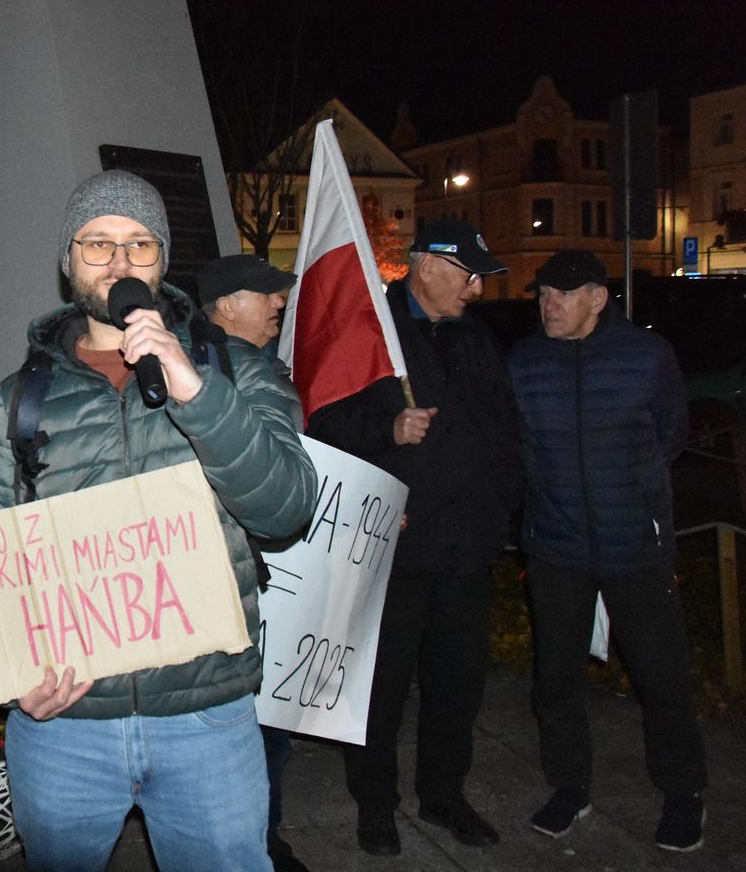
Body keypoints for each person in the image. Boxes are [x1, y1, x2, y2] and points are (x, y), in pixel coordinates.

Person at [0, 170, 318, 872]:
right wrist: (12, 677)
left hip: (207, 714)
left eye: (139, 243)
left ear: (162, 261)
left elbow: (285, 509)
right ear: (68, 261)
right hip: (65, 723)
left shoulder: (235, 370)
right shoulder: (21, 400)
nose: (120, 261)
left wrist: (195, 390)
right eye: (97, 243)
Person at [305, 217, 521, 856]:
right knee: (381, 688)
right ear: (428, 266)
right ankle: (376, 806)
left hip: (466, 548)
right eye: (469, 275)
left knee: (458, 686)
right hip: (391, 551)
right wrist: (388, 431)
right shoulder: (371, 334)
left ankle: (444, 795)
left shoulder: (476, 339)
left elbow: (505, 432)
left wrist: (499, 515)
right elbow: (322, 425)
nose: (478, 289)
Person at [509, 250, 707, 852]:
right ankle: (569, 788)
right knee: (555, 681)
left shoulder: (647, 356)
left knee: (661, 677)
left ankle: (684, 792)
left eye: (562, 295)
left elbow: (672, 434)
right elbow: (520, 446)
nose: (549, 305)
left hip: (635, 546)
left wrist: (635, 495)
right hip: (556, 547)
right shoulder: (525, 361)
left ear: (598, 298)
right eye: (544, 294)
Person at [196, 252, 309, 872]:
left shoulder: (262, 367)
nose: (279, 302)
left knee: (268, 722)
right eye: (265, 293)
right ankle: (251, 840)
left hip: (268, 577)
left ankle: (262, 834)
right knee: (247, 726)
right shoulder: (210, 374)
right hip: (231, 582)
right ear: (225, 306)